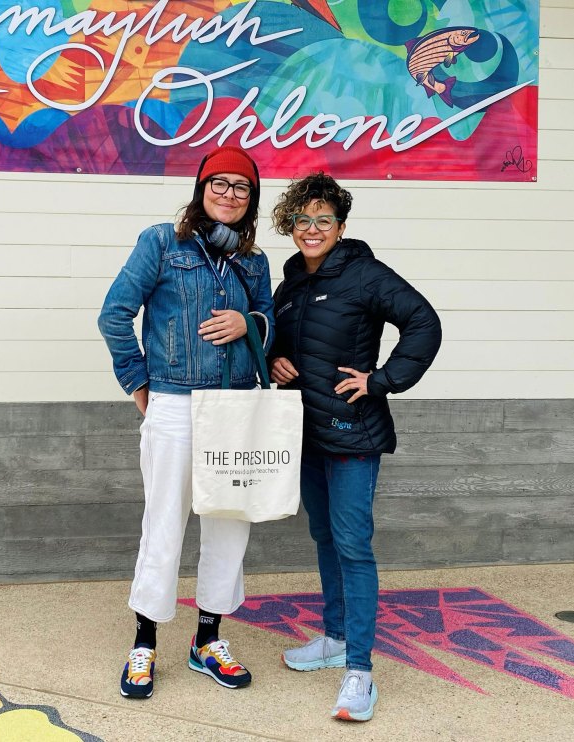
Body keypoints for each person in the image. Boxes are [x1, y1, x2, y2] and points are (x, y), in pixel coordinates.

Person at [98, 145, 274, 700]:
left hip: (237, 406)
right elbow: (114, 314)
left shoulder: (254, 261)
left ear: (251, 200)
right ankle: (145, 643)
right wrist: (138, 382)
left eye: (241, 187)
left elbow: (271, 328)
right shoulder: (161, 243)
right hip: (175, 403)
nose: (228, 194)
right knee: (165, 523)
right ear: (201, 190)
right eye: (218, 184)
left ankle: (207, 641)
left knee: (228, 524)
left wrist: (248, 323)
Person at [269, 172, 441, 722]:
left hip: (352, 434)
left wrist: (382, 380)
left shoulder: (364, 273)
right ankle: (337, 636)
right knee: (323, 536)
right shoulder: (291, 283)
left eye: (323, 219)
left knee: (352, 544)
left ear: (340, 226)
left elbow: (423, 321)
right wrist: (274, 358)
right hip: (306, 433)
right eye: (302, 219)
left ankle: (360, 672)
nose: (312, 228)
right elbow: (282, 344)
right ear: (290, 226)